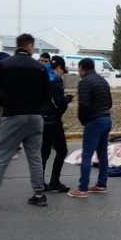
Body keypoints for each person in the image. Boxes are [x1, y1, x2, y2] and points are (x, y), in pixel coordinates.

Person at [0, 34, 51, 211]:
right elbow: (46, 94)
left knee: (2, 156)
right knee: (34, 157)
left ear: (17, 46)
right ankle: (39, 195)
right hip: (35, 117)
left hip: (13, 115)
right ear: (30, 47)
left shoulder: (3, 65)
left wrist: (7, 102)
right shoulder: (39, 68)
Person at [68, 57, 113, 198]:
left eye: (79, 69)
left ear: (82, 68)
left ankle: (82, 189)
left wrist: (83, 120)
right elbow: (110, 102)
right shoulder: (102, 80)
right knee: (102, 154)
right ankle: (101, 184)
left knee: (87, 155)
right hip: (107, 119)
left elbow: (84, 105)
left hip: (95, 121)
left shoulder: (85, 82)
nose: (78, 72)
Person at [41, 55, 74, 192]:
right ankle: (54, 181)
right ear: (59, 68)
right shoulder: (55, 81)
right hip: (53, 121)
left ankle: (39, 182)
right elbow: (58, 102)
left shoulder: (43, 77)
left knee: (44, 152)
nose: (62, 73)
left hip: (42, 119)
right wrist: (68, 98)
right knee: (62, 151)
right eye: (62, 70)